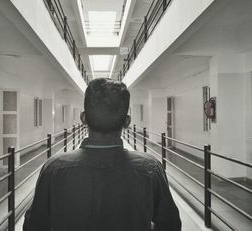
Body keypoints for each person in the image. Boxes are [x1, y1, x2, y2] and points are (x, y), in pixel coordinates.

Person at [23, 78, 181, 231]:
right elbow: (171, 225)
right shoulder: (151, 169)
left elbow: (34, 226)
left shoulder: (53, 169)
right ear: (127, 122)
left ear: (83, 118)